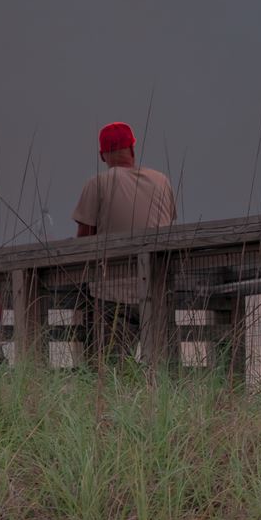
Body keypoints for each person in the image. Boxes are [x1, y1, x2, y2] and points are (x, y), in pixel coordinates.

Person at [73, 121, 177, 358]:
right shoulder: (162, 181)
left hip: (111, 294)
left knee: (110, 370)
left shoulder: (97, 184)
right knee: (158, 367)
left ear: (102, 155)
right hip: (156, 291)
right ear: (132, 148)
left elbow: (82, 243)